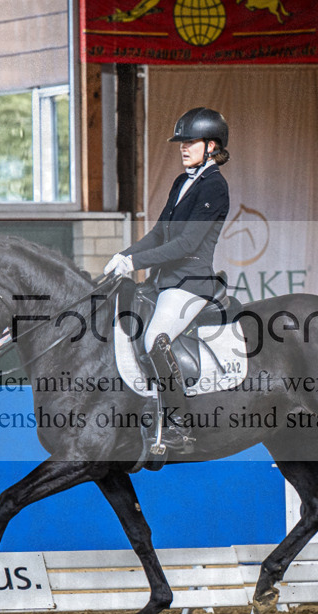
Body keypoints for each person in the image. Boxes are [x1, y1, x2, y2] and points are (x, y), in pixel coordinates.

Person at [103, 106, 231, 455]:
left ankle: (179, 424)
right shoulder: (181, 182)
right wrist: (123, 257)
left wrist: (135, 262)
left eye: (190, 142)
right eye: (181, 143)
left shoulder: (215, 186)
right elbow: (160, 233)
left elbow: (187, 244)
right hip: (165, 281)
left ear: (212, 145)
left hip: (191, 282)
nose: (183, 148)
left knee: (155, 340)